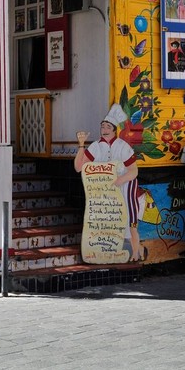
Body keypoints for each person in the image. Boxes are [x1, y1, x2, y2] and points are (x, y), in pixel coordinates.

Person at [75, 104, 145, 261]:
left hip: (126, 189)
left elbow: (134, 171)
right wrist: (81, 145)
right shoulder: (95, 147)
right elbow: (79, 167)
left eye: (107, 126)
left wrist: (121, 180)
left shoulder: (122, 147)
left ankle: (134, 253)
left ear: (114, 130)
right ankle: (107, 253)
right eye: (102, 126)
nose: (104, 129)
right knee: (107, 223)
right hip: (105, 192)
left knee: (129, 221)